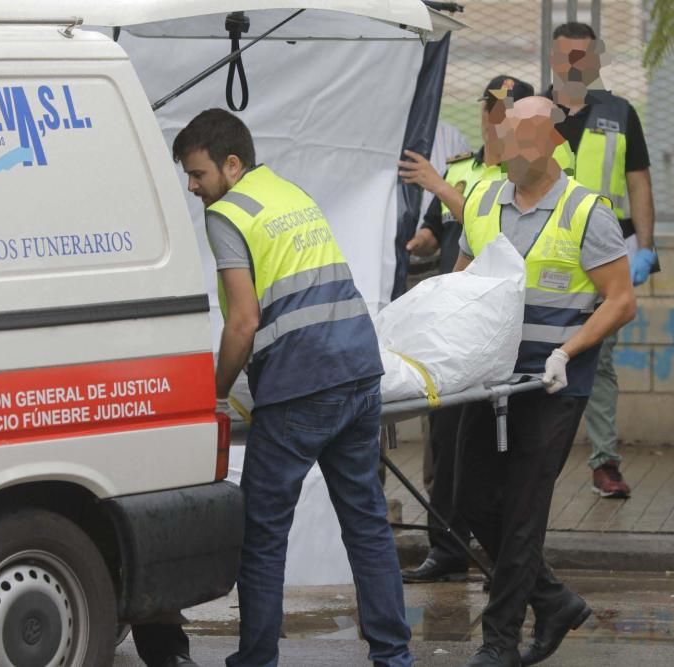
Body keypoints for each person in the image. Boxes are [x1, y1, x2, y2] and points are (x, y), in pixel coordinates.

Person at [171, 108, 414, 666]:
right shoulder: (286, 191)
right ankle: (394, 658)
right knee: (367, 527)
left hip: (302, 389)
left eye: (198, 174)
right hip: (357, 370)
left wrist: (214, 392)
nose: (192, 187)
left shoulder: (227, 215)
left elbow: (243, 322)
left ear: (231, 166)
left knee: (263, 534)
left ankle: (256, 660)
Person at [456, 96, 637, 666]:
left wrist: (567, 350)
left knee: (523, 514)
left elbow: (621, 300)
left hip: (553, 386)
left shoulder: (587, 211)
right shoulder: (483, 198)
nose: (508, 149)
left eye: (521, 139)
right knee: (470, 503)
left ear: (554, 144)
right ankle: (553, 600)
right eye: (505, 137)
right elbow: (459, 284)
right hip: (489, 380)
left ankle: (499, 643)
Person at [397, 75, 537, 584]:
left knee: (494, 451)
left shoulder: (529, 173)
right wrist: (420, 241)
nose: (493, 118)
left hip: (501, 327)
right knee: (449, 441)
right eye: (490, 108)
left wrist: (439, 187)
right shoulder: (463, 168)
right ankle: (448, 546)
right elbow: (444, 233)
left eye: (506, 110)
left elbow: (491, 230)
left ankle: (506, 551)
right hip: (456, 325)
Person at [548, 22, 658, 499]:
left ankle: (604, 462)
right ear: (553, 59)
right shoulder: (531, 109)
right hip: (545, 252)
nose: (574, 63)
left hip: (605, 255)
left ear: (596, 62)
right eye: (566, 54)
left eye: (583, 55)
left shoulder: (619, 111)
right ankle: (528, 460)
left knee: (601, 361)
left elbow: (638, 182)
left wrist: (647, 247)